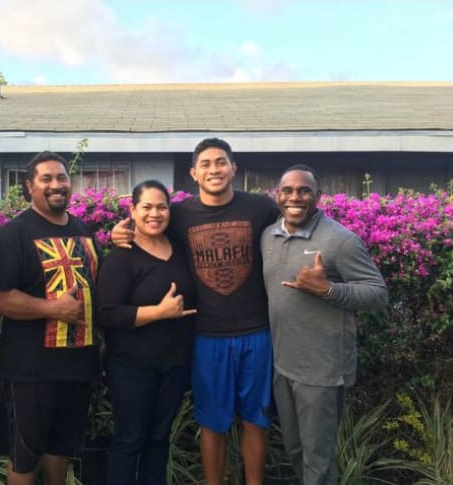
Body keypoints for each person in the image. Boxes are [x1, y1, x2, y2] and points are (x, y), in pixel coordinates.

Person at [112, 138, 280, 485]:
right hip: (207, 336)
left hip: (257, 332)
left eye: (221, 162)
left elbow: (295, 227)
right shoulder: (180, 216)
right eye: (205, 164)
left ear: (234, 168)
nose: (214, 169)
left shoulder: (261, 208)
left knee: (256, 421)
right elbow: (147, 227)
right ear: (193, 173)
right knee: (212, 422)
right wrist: (117, 233)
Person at [261, 164, 388, 484]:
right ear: (278, 194)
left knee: (318, 460)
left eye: (304, 190)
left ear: (318, 196)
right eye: (287, 190)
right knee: (294, 451)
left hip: (322, 371)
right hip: (283, 364)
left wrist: (328, 290)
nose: (295, 197)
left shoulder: (339, 241)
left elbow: (377, 294)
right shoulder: (269, 236)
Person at [0, 151, 101, 485]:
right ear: (29, 186)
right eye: (46, 179)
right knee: (25, 455)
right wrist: (51, 309)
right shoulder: (14, 234)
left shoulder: (84, 231)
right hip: (30, 369)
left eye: (61, 177)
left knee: (60, 449)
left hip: (78, 365)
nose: (56, 185)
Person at [97, 180, 197, 485]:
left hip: (174, 364)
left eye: (162, 207)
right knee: (130, 440)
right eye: (147, 207)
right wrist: (159, 313)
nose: (155, 214)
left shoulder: (180, 248)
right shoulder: (122, 257)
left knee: (159, 439)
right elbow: (106, 314)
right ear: (133, 211)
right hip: (132, 366)